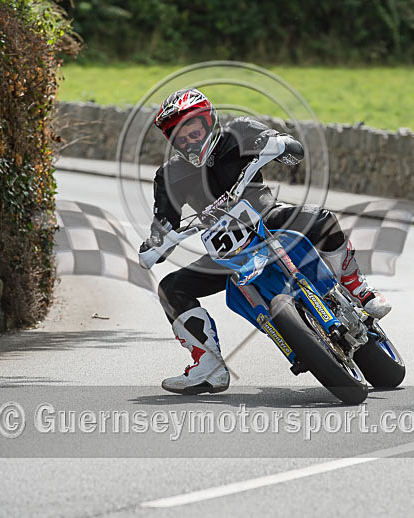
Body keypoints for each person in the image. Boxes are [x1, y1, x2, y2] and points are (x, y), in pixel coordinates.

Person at [139, 88, 390, 395]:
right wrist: (155, 243)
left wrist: (281, 144)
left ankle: (360, 290)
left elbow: (291, 148)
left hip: (268, 218)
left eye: (193, 130)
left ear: (208, 122)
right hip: (226, 250)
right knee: (171, 288)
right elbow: (163, 224)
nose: (189, 140)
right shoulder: (169, 175)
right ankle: (208, 366)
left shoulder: (240, 132)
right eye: (180, 136)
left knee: (321, 219)